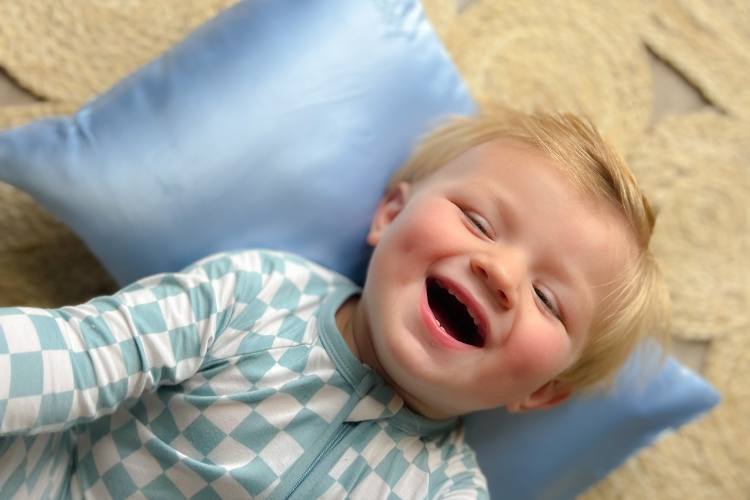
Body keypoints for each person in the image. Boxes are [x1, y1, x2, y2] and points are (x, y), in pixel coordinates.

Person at [0, 109, 669, 499]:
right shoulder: (256, 295)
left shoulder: (444, 490)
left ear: (544, 392)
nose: (499, 274)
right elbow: (83, 353)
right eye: (479, 223)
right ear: (390, 215)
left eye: (548, 300)